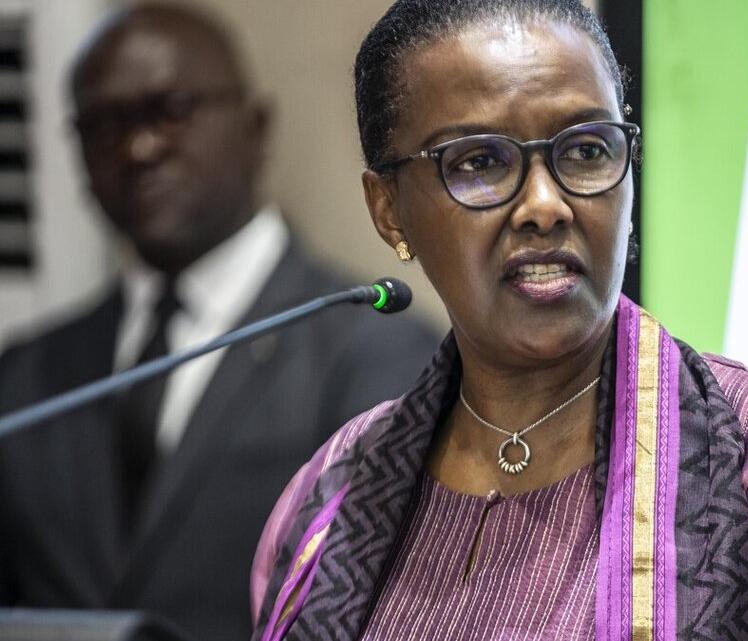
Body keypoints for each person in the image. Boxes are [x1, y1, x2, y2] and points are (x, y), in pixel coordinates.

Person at [249, 1, 748, 639]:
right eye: (480, 161)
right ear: (389, 210)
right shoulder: (327, 503)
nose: (546, 206)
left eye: (585, 150)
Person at [0, 5, 437, 641]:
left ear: (256, 126)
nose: (140, 147)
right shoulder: (26, 377)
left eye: (171, 111)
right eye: (106, 124)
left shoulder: (377, 354)